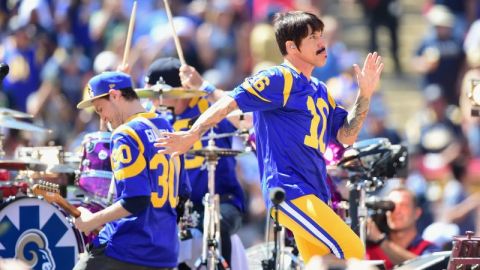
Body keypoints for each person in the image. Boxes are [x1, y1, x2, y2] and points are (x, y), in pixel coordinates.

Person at [155, 10, 384, 263]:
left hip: (315, 192)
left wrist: (365, 94)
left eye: (321, 35)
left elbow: (346, 136)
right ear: (291, 46)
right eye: (313, 37)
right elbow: (230, 102)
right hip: (289, 190)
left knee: (318, 263)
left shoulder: (320, 90)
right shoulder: (278, 77)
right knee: (353, 249)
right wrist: (192, 133)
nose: (322, 42)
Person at [73, 71, 187, 270]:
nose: (104, 118)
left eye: (101, 109)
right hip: (164, 252)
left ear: (115, 95)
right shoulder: (166, 126)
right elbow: (183, 194)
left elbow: (136, 199)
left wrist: (92, 220)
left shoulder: (125, 134)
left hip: (127, 249)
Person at [142, 57, 246, 267]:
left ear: (183, 90)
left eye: (162, 94)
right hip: (172, 205)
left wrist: (205, 88)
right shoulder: (154, 118)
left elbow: (243, 117)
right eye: (152, 95)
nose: (156, 100)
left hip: (220, 201)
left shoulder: (212, 108)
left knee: (215, 221)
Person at [366, 187, 440, 270]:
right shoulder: (370, 248)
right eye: (391, 206)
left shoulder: (429, 249)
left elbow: (427, 266)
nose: (396, 211)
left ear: (417, 213)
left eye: (403, 205)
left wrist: (380, 240)